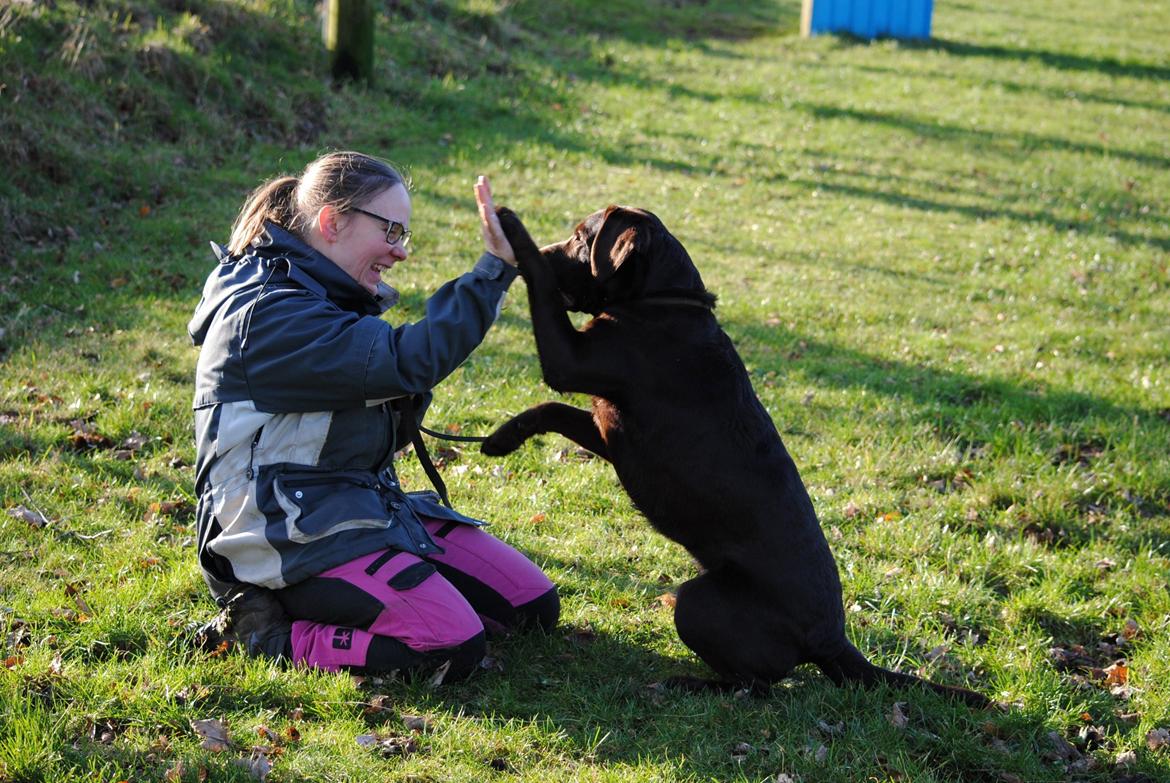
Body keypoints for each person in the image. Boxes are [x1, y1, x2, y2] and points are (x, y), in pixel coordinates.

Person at [187, 151, 558, 681]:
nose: (400, 251)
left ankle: (371, 598)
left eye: (405, 234)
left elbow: (388, 392)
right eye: (390, 231)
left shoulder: (319, 293)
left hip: (354, 508)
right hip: (278, 536)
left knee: (531, 606)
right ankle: (263, 632)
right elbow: (407, 361)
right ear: (332, 222)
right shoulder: (269, 312)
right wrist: (492, 273)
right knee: (450, 646)